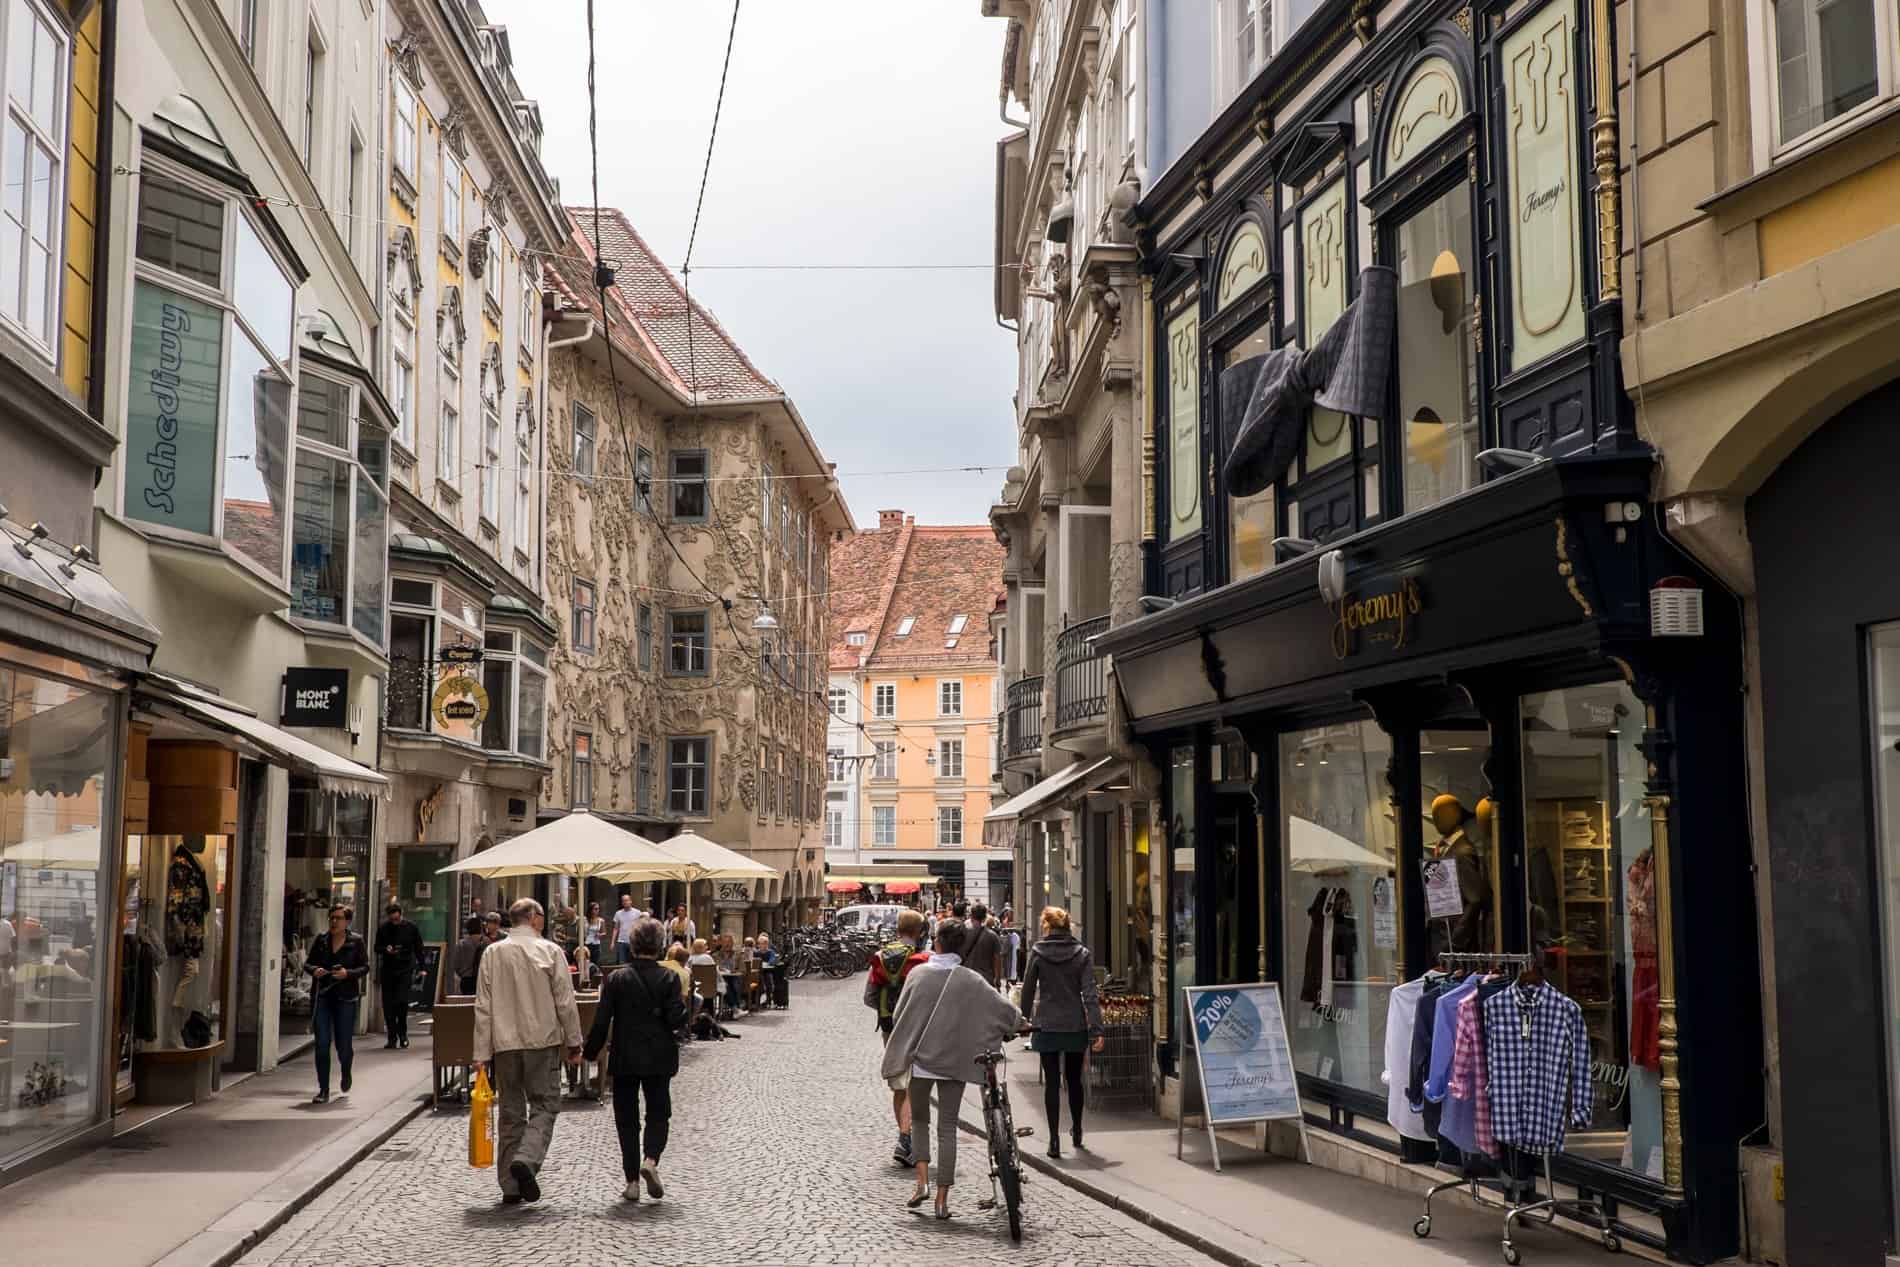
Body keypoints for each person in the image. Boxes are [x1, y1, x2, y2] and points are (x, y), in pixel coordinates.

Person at [881, 920, 1021, 1220]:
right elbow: (1005, 1012)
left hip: (921, 1062)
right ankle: (942, 1200)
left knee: (919, 1122)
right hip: (954, 1062)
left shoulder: (917, 975)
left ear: (937, 942)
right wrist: (1019, 1023)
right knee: (947, 1129)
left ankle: (921, 1184)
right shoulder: (971, 980)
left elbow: (899, 1014)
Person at [474, 899, 583, 1205]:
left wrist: (481, 1053)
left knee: (510, 1112)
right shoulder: (549, 951)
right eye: (543, 917)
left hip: (505, 1045)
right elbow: (565, 1001)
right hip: (542, 1042)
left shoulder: (493, 953)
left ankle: (510, 1184)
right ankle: (526, 1158)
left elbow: (483, 1006)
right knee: (545, 1106)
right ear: (534, 919)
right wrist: (573, 1042)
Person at [585, 917, 689, 1203]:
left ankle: (631, 1181)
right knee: (658, 1112)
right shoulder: (670, 978)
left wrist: (589, 1052)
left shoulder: (616, 978)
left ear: (632, 944)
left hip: (625, 1055)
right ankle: (651, 1160)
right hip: (658, 1056)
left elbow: (602, 1020)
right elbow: (676, 1020)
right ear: (659, 945)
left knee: (626, 1120)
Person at [1019, 905, 1105, 1158]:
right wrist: (1097, 1028)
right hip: (1074, 1024)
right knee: (1074, 1080)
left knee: (1052, 1083)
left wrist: (1023, 1020)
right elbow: (1090, 994)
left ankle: (1054, 1140)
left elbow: (1027, 989)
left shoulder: (1037, 952)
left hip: (1046, 1023)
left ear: (1047, 925)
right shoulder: (1081, 953)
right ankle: (1077, 1129)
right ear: (1068, 926)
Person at [864, 910, 930, 1165]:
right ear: (918, 932)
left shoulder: (881, 957)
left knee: (898, 1083)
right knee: (913, 1081)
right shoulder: (922, 959)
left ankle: (905, 1137)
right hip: (915, 1025)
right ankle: (905, 1138)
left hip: (888, 1025)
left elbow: (869, 997)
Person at [305, 904, 369, 1104]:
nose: (333, 922)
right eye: (331, 918)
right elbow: (308, 963)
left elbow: (365, 967)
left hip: (345, 998)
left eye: (338, 918)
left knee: (343, 1045)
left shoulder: (356, 941)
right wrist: (315, 970)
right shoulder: (321, 941)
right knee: (322, 1044)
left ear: (347, 921)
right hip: (323, 996)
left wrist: (347, 974)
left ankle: (346, 1071)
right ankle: (323, 1089)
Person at [374, 902, 424, 1048]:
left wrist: (422, 967)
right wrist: (386, 949)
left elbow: (418, 948)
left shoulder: (411, 928)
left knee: (402, 1002)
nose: (394, 922)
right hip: (388, 969)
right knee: (388, 1005)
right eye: (392, 919)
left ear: (401, 914)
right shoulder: (384, 928)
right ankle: (391, 1037)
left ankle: (402, 1034)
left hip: (405, 969)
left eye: (396, 919)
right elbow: (377, 947)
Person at [963, 902, 1004, 989]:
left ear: (971, 916)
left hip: (967, 976)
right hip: (986, 980)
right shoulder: (993, 936)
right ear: (985, 917)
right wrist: (998, 979)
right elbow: (997, 958)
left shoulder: (964, 933)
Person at [451, 916, 488, 995]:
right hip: (483, 981)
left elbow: (456, 965)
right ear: (481, 928)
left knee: (466, 1004)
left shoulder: (461, 944)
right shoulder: (487, 943)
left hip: (466, 981)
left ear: (468, 928)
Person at [611, 894, 643, 965]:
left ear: (630, 901)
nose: (625, 902)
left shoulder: (637, 912)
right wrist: (612, 942)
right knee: (622, 962)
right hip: (621, 941)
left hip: (633, 941)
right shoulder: (618, 913)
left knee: (633, 962)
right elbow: (616, 928)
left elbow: (641, 926)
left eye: (626, 900)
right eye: (623, 901)